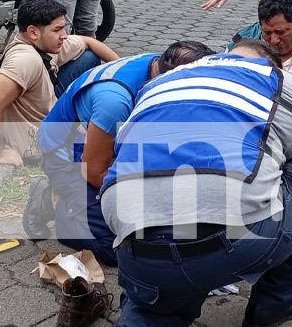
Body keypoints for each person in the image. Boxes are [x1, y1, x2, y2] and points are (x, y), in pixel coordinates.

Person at [100, 39, 292, 326]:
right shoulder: (276, 79)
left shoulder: (163, 80)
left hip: (133, 243)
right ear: (274, 64)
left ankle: (151, 311)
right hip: (232, 240)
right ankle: (274, 304)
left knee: (154, 305)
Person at [23, 42, 214, 265]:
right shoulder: (114, 100)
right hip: (70, 160)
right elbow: (94, 172)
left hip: (109, 148)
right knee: (117, 247)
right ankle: (52, 203)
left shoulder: (159, 63)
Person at [0, 0, 118, 166]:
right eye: (57, 30)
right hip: (39, 141)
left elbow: (88, 41)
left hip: (47, 106)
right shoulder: (25, 59)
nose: (64, 35)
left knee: (89, 57)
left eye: (63, 28)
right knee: (115, 145)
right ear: (33, 32)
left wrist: (121, 68)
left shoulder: (43, 44)